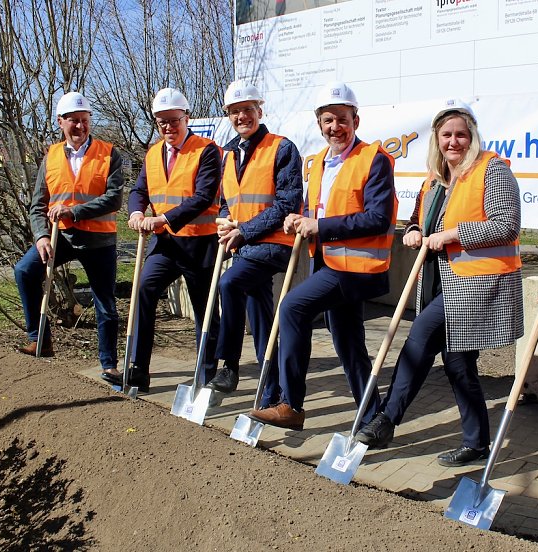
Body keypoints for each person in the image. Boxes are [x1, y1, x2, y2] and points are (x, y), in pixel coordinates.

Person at [355, 99, 524, 465]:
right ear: (436, 138)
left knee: (418, 340)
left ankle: (386, 419)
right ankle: (476, 442)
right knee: (457, 362)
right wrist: (415, 231)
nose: (454, 141)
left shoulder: (492, 171)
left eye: (461, 134)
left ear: (472, 136)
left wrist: (451, 235)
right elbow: (418, 219)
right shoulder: (433, 179)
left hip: (477, 283)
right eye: (446, 134)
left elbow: (506, 225)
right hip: (438, 281)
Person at [247, 81, 397, 430]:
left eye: (342, 119)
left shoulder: (374, 159)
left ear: (355, 121)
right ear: (319, 124)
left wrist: (321, 226)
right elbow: (315, 209)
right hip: (329, 263)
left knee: (292, 308)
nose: (336, 127)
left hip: (358, 267)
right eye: (328, 120)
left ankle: (291, 405)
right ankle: (373, 416)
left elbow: (378, 217)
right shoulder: (316, 163)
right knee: (348, 342)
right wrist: (297, 219)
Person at [113, 88, 222, 393]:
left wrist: (163, 218)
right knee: (144, 290)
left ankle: (208, 373)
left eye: (174, 120)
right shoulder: (152, 153)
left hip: (199, 242)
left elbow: (203, 197)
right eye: (162, 122)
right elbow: (139, 191)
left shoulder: (207, 151)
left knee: (205, 307)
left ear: (186, 118)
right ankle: (138, 368)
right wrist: (135, 212)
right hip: (165, 244)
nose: (168, 127)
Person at [14, 92, 122, 381]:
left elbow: (113, 199)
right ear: (60, 122)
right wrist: (40, 237)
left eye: (84, 121)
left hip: (98, 239)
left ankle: (109, 364)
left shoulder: (109, 153)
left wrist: (74, 212)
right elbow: (38, 204)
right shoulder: (50, 157)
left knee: (105, 304)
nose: (80, 126)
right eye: (73, 121)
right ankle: (41, 338)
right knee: (25, 270)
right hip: (59, 237)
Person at [208, 80, 302, 404]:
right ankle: (270, 395)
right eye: (235, 112)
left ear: (259, 111)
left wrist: (245, 231)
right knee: (261, 321)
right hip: (244, 246)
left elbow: (287, 203)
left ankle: (229, 366)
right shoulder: (228, 154)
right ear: (228, 116)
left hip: (273, 244)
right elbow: (226, 202)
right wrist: (225, 223)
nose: (241, 116)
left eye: (247, 109)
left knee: (230, 284)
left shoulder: (282, 148)